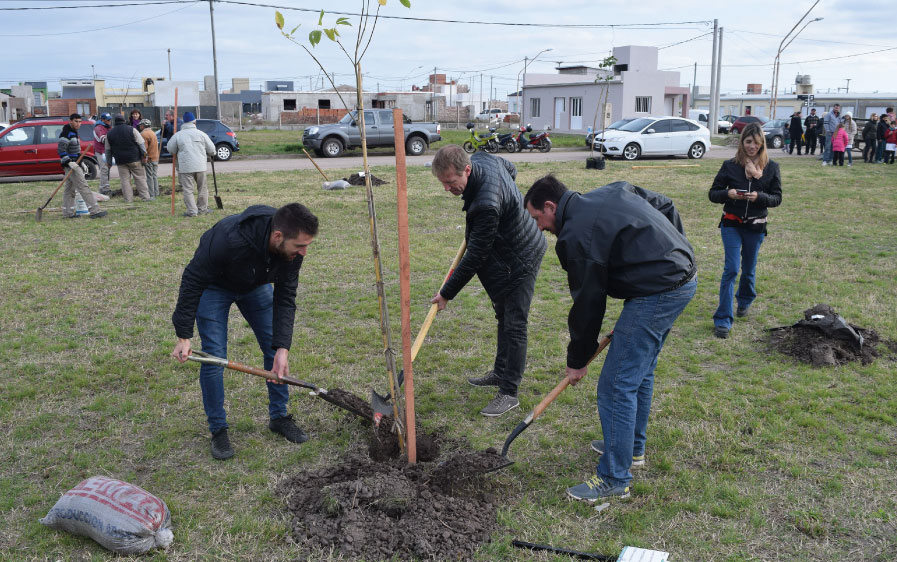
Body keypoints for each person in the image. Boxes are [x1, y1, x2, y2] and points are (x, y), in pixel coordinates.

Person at [522, 175, 696, 503]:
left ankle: (615, 478)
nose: (541, 228)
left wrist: (577, 361)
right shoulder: (611, 191)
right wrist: (676, 254)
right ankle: (630, 448)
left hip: (661, 290)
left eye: (538, 219)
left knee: (616, 384)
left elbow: (589, 303)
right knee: (637, 372)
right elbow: (666, 205)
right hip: (679, 279)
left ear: (550, 206)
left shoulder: (575, 236)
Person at [171, 203, 319, 460]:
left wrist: (282, 348)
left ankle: (279, 417)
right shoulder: (229, 238)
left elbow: (285, 298)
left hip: (255, 286)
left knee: (273, 347)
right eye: (299, 246)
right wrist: (184, 335)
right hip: (214, 287)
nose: (304, 252)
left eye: (307, 245)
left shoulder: (292, 252)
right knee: (215, 356)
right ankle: (218, 429)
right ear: (277, 236)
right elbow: (193, 278)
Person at [429, 145, 546, 417]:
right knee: (503, 315)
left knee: (515, 323)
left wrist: (446, 293)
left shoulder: (485, 205)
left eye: (450, 182)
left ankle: (509, 393)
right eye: (443, 183)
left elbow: (475, 257)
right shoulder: (483, 158)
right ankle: (500, 372)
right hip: (508, 251)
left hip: (522, 257)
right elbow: (511, 169)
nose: (447, 189)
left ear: (466, 170)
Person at [708, 123, 782, 339]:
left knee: (748, 270)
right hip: (732, 223)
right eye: (748, 142)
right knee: (731, 269)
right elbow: (713, 193)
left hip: (756, 226)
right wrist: (727, 194)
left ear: (762, 144)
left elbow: (777, 198)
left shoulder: (771, 167)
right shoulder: (730, 166)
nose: (752, 146)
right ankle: (723, 319)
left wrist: (760, 197)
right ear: (742, 143)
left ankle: (745, 299)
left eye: (756, 142)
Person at [57, 113, 107, 219]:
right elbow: (61, 150)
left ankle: (68, 213)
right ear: (70, 121)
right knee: (83, 186)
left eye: (80, 122)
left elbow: (76, 151)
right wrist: (69, 162)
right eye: (76, 121)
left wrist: (81, 162)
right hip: (71, 165)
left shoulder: (74, 133)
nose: (78, 124)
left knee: (69, 189)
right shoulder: (66, 134)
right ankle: (94, 211)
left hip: (75, 163)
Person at [167, 112, 215, 217]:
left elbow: (170, 149)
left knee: (188, 190)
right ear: (195, 122)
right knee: (202, 188)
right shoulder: (202, 134)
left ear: (183, 122)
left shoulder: (178, 135)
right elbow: (212, 150)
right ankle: (202, 209)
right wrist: (211, 154)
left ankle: (192, 211)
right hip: (200, 166)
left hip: (185, 167)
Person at [105, 114, 151, 202]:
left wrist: (109, 162)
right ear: (124, 121)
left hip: (120, 160)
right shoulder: (132, 129)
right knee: (140, 178)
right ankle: (145, 197)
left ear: (115, 122)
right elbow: (141, 144)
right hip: (134, 158)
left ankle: (128, 199)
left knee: (125, 180)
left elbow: (108, 150)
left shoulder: (109, 133)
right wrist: (145, 156)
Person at [138, 118, 159, 198]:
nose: (140, 126)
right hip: (155, 158)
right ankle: (156, 192)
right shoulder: (152, 133)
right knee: (154, 176)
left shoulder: (144, 134)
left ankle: (151, 194)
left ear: (143, 126)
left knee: (149, 177)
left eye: (140, 125)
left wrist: (143, 158)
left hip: (149, 159)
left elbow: (144, 149)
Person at [93, 113, 113, 195]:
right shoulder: (98, 128)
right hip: (101, 151)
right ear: (102, 120)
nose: (109, 121)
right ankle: (105, 189)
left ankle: (103, 188)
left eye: (110, 120)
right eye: (108, 120)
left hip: (107, 152)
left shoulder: (109, 127)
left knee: (106, 169)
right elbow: (103, 139)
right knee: (104, 169)